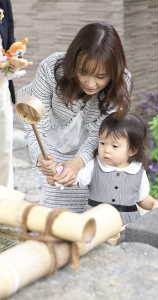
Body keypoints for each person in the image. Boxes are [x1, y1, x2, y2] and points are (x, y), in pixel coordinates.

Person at [17, 23, 133, 212]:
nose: (91, 83)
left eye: (101, 76)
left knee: (90, 202)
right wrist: (41, 156)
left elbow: (102, 133)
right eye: (83, 72)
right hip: (52, 141)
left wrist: (79, 161)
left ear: (114, 72)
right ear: (73, 62)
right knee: (54, 201)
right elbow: (36, 124)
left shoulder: (122, 83)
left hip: (94, 144)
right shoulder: (52, 69)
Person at [50, 112, 158, 225]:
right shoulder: (94, 165)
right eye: (102, 143)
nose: (106, 150)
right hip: (95, 220)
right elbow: (75, 180)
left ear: (132, 150)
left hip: (126, 223)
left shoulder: (138, 172)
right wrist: (61, 178)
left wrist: (153, 204)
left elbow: (142, 198)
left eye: (115, 146)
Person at [0, 0, 19, 189]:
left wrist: (14, 58)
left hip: (1, 86)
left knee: (4, 150)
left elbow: (9, 39)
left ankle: (4, 205)